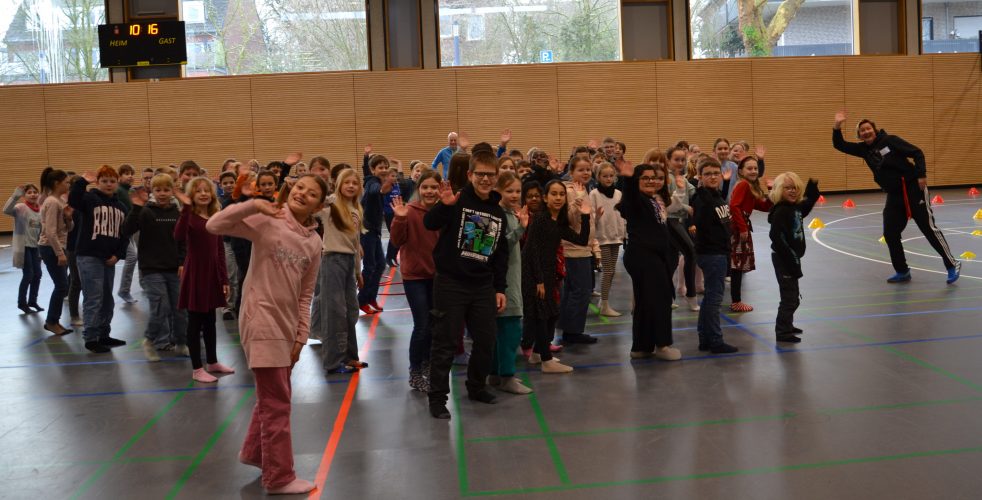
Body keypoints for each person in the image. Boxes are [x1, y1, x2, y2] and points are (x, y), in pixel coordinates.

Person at [206, 174, 326, 496]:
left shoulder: (314, 242)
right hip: (260, 320)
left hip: (287, 326)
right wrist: (252, 205)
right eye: (299, 187)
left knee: (272, 395)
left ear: (319, 205)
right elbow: (214, 225)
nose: (302, 194)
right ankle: (279, 477)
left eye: (311, 193)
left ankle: (255, 453)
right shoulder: (268, 219)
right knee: (277, 403)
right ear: (291, 189)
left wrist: (301, 335)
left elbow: (306, 293)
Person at [423, 150, 509, 419]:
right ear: (470, 174)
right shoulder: (456, 201)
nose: (485, 179)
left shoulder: (498, 212)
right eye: (480, 174)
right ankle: (437, 398)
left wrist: (500, 288)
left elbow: (500, 255)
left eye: (490, 175)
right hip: (451, 283)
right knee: (445, 343)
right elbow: (429, 223)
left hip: (482, 286)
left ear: (496, 177)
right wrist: (445, 206)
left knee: (486, 340)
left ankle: (476, 386)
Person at [832, 110, 960, 284]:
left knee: (928, 228)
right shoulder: (863, 150)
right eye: (862, 130)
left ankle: (952, 264)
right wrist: (837, 125)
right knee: (890, 233)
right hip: (894, 195)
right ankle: (902, 271)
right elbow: (839, 145)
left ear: (874, 130)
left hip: (913, 189)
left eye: (868, 128)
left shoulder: (890, 141)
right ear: (859, 135)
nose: (866, 132)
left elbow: (917, 152)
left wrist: (921, 175)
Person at [522, 179, 591, 373]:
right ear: (545, 198)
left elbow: (581, 240)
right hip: (535, 274)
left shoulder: (558, 222)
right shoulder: (540, 220)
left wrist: (586, 216)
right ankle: (546, 360)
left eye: (561, 194)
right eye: (554, 194)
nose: (558, 198)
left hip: (549, 272)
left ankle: (537, 353)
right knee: (542, 316)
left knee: (552, 314)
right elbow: (530, 251)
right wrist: (539, 280)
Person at [616, 162, 682, 360]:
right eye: (645, 178)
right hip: (643, 256)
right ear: (637, 181)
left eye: (653, 177)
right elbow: (630, 198)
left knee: (645, 302)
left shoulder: (653, 199)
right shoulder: (637, 200)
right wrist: (628, 179)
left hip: (652, 256)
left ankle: (641, 347)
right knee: (660, 300)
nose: (651, 181)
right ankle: (662, 345)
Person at [123, 174, 189, 361]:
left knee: (180, 309)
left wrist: (182, 262)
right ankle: (150, 340)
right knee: (161, 307)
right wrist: (136, 208)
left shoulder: (176, 213)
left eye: (166, 190)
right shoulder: (146, 212)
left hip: (174, 268)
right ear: (152, 191)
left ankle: (181, 343)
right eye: (158, 190)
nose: (162, 193)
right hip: (152, 269)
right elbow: (126, 230)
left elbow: (182, 240)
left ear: (172, 191)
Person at [175, 177, 232, 382]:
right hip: (196, 273)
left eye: (206, 190)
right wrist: (185, 209)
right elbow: (178, 236)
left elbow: (220, 250)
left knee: (210, 320)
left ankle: (212, 361)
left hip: (212, 274)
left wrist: (224, 278)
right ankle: (197, 368)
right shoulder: (189, 217)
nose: (203, 194)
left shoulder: (215, 217)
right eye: (198, 191)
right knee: (195, 321)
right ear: (191, 195)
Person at [311, 168, 367, 374]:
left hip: (349, 262)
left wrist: (358, 271)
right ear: (339, 185)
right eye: (347, 182)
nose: (351, 186)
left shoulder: (356, 209)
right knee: (334, 313)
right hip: (332, 260)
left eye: (355, 183)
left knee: (351, 310)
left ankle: (350, 356)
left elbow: (355, 243)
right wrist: (325, 195)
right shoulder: (331, 206)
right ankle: (333, 362)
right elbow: (313, 208)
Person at [390, 170, 442, 391]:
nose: (429, 191)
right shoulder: (409, 211)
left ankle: (428, 364)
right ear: (419, 189)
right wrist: (400, 219)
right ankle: (415, 370)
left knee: (433, 324)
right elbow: (396, 240)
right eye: (425, 187)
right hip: (415, 277)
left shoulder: (443, 212)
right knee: (422, 325)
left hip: (437, 277)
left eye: (434, 187)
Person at [68, 167, 129, 353]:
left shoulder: (121, 207)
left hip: (109, 258)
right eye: (104, 181)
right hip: (89, 256)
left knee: (107, 299)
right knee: (94, 297)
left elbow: (124, 234)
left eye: (112, 181)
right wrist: (82, 182)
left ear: (117, 183)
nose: (109, 184)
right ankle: (91, 337)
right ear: (97, 182)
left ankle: (104, 334)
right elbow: (73, 200)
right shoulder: (89, 199)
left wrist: (118, 255)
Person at [489, 171, 532, 394]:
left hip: (512, 276)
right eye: (509, 191)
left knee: (503, 329)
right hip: (503, 280)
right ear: (498, 191)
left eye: (517, 191)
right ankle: (506, 375)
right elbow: (499, 246)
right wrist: (521, 228)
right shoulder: (498, 215)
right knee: (510, 329)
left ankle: (496, 374)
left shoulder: (511, 213)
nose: (515, 195)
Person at [690, 157, 738, 354]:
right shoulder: (702, 198)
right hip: (712, 253)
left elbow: (719, 208)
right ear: (700, 177)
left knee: (710, 297)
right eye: (707, 174)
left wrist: (725, 184)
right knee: (715, 300)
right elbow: (700, 220)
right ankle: (716, 341)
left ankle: (704, 338)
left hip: (719, 252)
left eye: (715, 173)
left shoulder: (715, 195)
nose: (712, 177)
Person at [768, 173, 820, 343]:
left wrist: (812, 189)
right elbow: (776, 237)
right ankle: (782, 332)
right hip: (784, 259)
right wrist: (792, 262)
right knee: (789, 298)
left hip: (791, 259)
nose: (792, 191)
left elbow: (806, 205)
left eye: (795, 188)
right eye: (787, 188)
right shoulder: (781, 211)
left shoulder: (794, 208)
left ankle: (787, 325)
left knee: (793, 297)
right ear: (779, 190)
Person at [558, 158, 599, 344]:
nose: (586, 173)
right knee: (581, 291)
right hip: (573, 249)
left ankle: (568, 328)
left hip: (583, 248)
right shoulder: (569, 191)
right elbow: (567, 219)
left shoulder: (583, 189)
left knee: (573, 290)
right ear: (571, 172)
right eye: (581, 170)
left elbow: (587, 222)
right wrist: (578, 201)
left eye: (588, 169)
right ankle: (572, 332)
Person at [728, 156, 773, 313]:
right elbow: (734, 206)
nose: (753, 171)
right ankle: (736, 302)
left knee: (738, 265)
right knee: (737, 266)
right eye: (749, 168)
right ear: (741, 171)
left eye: (755, 168)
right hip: (737, 227)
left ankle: (736, 300)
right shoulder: (743, 184)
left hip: (741, 225)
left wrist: (771, 191)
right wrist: (742, 229)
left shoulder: (751, 187)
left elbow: (764, 207)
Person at [38, 168, 74, 334]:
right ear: (56, 183)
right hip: (50, 247)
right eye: (66, 182)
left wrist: (68, 218)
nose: (68, 184)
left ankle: (54, 321)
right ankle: (52, 321)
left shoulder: (59, 201)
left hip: (58, 246)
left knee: (62, 285)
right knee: (61, 286)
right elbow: (50, 232)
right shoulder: (52, 202)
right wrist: (60, 253)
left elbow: (69, 229)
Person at [589, 162, 626, 317]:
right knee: (608, 271)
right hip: (602, 237)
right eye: (605, 176)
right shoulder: (594, 194)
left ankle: (603, 301)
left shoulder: (618, 194)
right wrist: (596, 217)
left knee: (611, 272)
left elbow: (622, 215)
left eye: (611, 176)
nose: (608, 179)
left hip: (615, 237)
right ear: (598, 177)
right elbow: (591, 216)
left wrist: (623, 232)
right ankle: (604, 304)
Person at [359, 154, 394, 314]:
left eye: (386, 167)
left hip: (375, 230)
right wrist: (380, 189)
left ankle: (371, 297)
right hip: (366, 230)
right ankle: (361, 300)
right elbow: (373, 190)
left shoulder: (377, 181)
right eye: (380, 167)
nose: (384, 170)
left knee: (380, 264)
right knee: (369, 266)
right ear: (373, 170)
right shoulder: (372, 182)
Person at [666, 146, 699, 312]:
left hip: (679, 221)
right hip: (669, 221)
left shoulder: (683, 179)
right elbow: (668, 202)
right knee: (691, 252)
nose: (680, 163)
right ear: (668, 160)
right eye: (676, 159)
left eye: (682, 160)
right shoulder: (667, 178)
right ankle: (691, 294)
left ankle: (668, 296)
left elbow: (695, 193)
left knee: (672, 260)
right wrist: (687, 207)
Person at [5, 183, 44, 315]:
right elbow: (6, 210)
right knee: (28, 274)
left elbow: (41, 230)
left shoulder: (40, 210)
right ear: (24, 195)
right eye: (29, 192)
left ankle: (32, 301)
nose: (33, 194)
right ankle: (22, 303)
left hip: (35, 247)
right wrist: (15, 196)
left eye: (35, 192)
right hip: (24, 247)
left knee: (38, 274)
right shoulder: (20, 208)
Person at [115, 164, 138, 304]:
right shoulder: (119, 190)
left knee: (134, 256)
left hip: (128, 230)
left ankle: (124, 290)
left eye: (131, 173)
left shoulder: (129, 190)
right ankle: (124, 290)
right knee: (132, 257)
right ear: (119, 176)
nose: (130, 176)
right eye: (126, 173)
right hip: (121, 231)